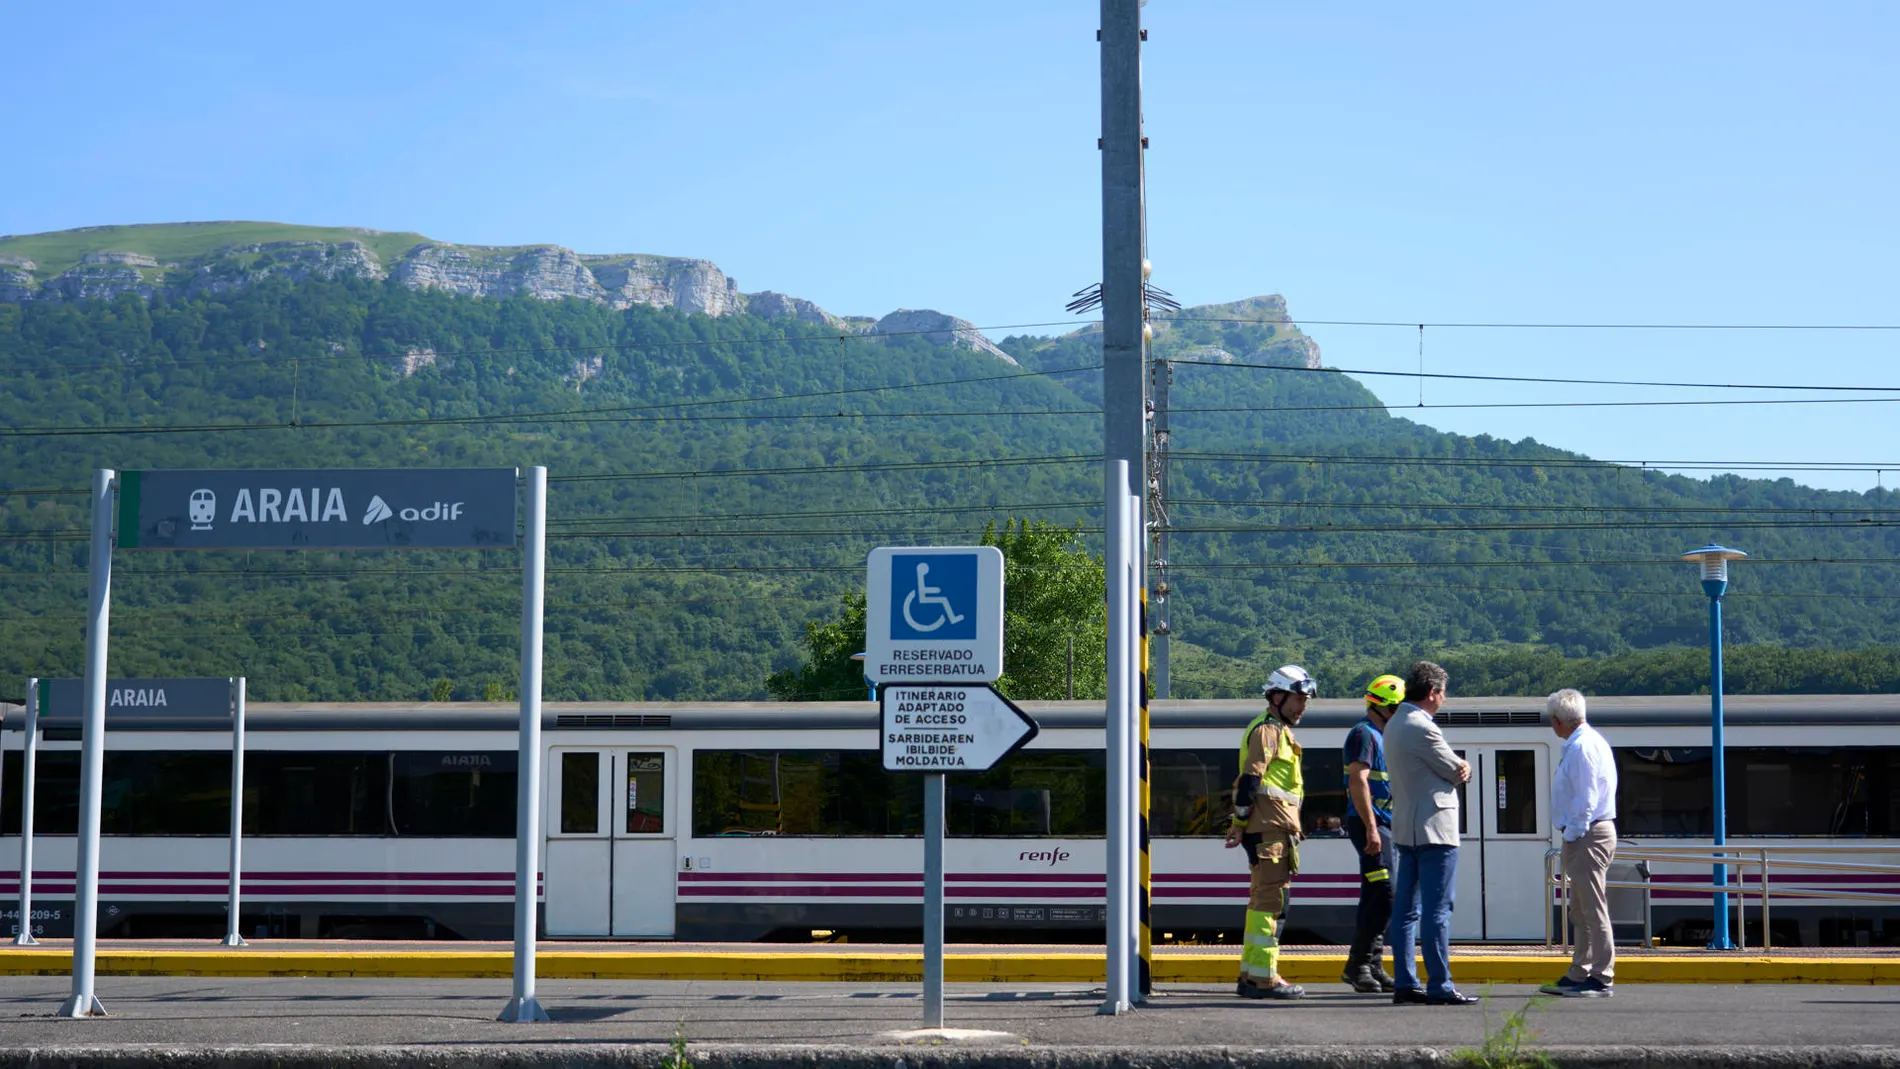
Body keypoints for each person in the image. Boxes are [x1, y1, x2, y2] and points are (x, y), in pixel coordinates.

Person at [1383, 660, 1478, 1006]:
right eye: (1444, 693)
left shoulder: (1393, 723)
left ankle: (1405, 982)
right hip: (1435, 831)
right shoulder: (1424, 727)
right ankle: (1440, 984)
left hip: (1406, 829)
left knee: (1405, 911)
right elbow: (1455, 770)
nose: (1445, 699)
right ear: (1433, 692)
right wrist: (1462, 768)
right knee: (1438, 910)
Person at [1225, 664, 1315, 1000]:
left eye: (1305, 699)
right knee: (1273, 904)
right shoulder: (1268, 730)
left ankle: (1251, 975)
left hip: (1270, 830)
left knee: (1260, 902)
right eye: (1297, 698)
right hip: (1270, 832)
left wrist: (1239, 825)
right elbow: (1251, 780)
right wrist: (1239, 822)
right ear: (1276, 696)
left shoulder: (1276, 730)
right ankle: (1265, 980)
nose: (1303, 706)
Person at [1540, 688, 1619, 998]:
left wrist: (1572, 835)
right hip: (1587, 833)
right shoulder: (1586, 743)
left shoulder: (1582, 748)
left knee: (1593, 907)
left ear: (1559, 721)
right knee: (1581, 909)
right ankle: (1579, 970)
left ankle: (1601, 975)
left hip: (1588, 835)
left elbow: (1585, 799)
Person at [1340, 673, 1405, 993]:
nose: (1398, 715)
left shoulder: (1382, 737)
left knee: (1375, 895)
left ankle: (1371, 965)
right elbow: (1358, 781)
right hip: (1370, 825)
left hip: (1383, 825)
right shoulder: (1362, 735)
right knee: (1385, 893)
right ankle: (1359, 965)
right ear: (1380, 707)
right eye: (1395, 709)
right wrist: (1371, 829)